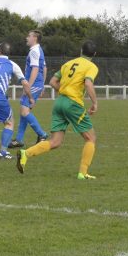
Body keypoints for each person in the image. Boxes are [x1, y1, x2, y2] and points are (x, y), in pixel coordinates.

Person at [16, 40, 100, 180]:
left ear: (81, 51)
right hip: (73, 104)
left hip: (59, 103)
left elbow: (52, 82)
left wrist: (64, 91)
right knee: (91, 138)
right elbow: (88, 83)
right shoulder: (91, 66)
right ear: (95, 54)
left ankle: (26, 153)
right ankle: (83, 173)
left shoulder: (68, 64)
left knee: (55, 142)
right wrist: (95, 103)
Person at [9, 30, 48, 149]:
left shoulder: (34, 51)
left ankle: (42, 134)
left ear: (35, 38)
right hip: (37, 84)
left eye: (29, 36)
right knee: (24, 112)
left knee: (24, 112)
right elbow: (44, 68)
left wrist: (28, 86)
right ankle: (19, 140)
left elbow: (35, 69)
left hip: (33, 84)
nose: (26, 38)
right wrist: (42, 85)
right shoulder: (39, 50)